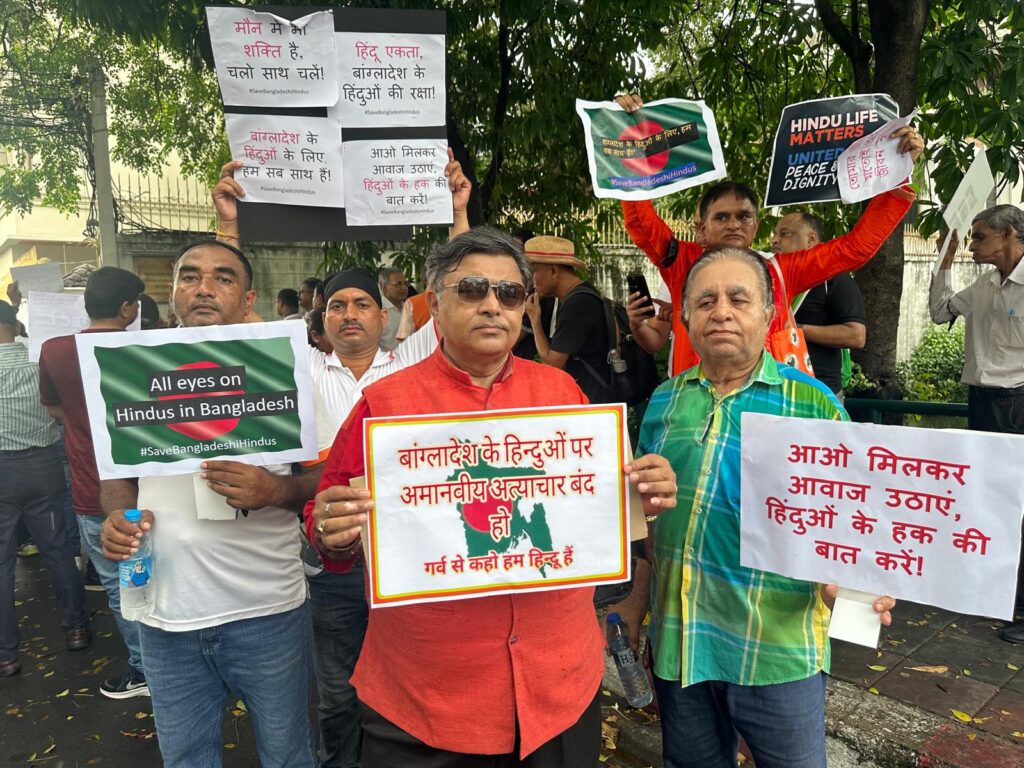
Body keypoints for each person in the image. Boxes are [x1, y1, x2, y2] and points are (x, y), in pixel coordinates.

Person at [306, 227, 677, 766]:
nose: (491, 306)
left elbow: (601, 509)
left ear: (525, 307)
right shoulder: (382, 407)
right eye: (472, 289)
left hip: (559, 693)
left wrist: (642, 495)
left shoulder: (565, 397)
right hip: (426, 705)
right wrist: (330, 531)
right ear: (435, 303)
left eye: (508, 294)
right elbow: (328, 526)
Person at [636, 247, 895, 768]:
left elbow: (855, 523)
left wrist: (857, 584)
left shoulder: (815, 405)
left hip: (775, 649)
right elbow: (647, 524)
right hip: (680, 644)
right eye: (705, 300)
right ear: (685, 316)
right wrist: (633, 605)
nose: (722, 312)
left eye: (739, 298)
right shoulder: (663, 402)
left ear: (769, 312)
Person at [99, 240, 333, 767]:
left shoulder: (284, 370)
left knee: (288, 755)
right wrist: (116, 516)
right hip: (166, 618)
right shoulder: (133, 369)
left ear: (248, 297)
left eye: (224, 278)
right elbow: (116, 474)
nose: (205, 287)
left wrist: (276, 491)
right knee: (185, 758)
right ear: (172, 290)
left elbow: (325, 475)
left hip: (267, 612)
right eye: (191, 276)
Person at [613, 93, 922, 376]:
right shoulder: (682, 262)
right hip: (696, 408)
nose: (734, 224)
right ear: (703, 227)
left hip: (767, 410)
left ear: (756, 226)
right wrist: (630, 144)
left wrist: (897, 176)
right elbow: (641, 225)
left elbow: (853, 249)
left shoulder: (781, 269)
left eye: (743, 216)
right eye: (722, 217)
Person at [38, 266, 151, 699]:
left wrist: (85, 427)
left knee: (120, 587)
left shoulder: (55, 350)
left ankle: (145, 670)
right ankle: (168, 667)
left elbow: (53, 410)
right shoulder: (143, 347)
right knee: (155, 580)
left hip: (93, 494)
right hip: (152, 488)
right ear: (127, 308)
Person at [930, 204, 1024, 644]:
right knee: (988, 502)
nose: (972, 244)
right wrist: (943, 266)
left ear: (1009, 235)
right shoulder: (984, 284)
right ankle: (995, 593)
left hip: (1018, 403)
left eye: (980, 237)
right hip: (982, 403)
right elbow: (938, 312)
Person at [0, 300, 91, 678]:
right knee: (57, 551)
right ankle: (76, 628)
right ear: (14, 323)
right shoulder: (39, 361)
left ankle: (7, 654)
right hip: (44, 467)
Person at [771, 212, 867, 397]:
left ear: (811, 238)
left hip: (821, 392)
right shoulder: (770, 277)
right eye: (774, 234)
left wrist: (795, 329)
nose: (775, 240)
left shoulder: (834, 278)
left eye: (785, 234)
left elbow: (856, 335)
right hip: (778, 389)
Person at [523, 236, 615, 403]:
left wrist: (534, 320)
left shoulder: (577, 305)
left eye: (533, 271)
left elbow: (553, 365)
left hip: (592, 401)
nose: (531, 281)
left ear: (553, 271)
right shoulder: (583, 293)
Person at [377, 267, 408, 351]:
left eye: (405, 283)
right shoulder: (378, 312)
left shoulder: (409, 308)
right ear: (384, 287)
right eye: (398, 284)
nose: (404, 287)